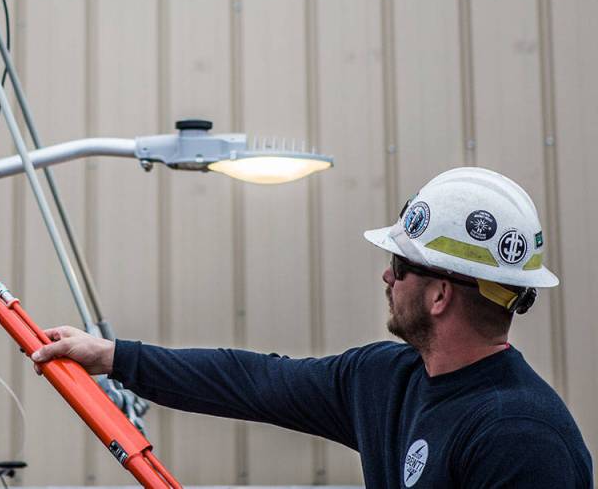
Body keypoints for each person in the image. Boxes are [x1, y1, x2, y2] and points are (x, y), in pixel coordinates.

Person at [32, 167, 593, 488]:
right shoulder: (387, 378)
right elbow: (253, 381)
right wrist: (111, 356)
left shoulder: (520, 438)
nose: (385, 275)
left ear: (441, 294)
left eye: (399, 266)